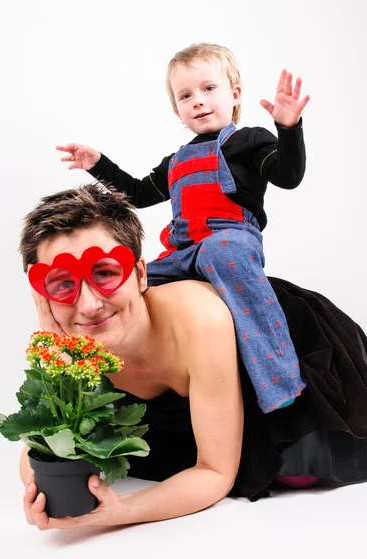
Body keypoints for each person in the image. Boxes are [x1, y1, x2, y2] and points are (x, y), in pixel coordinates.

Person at [19, 183, 367, 531]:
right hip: (197, 393)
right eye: (62, 285)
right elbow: (34, 454)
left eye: (106, 273)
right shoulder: (70, 338)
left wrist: (119, 512)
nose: (90, 305)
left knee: (297, 471)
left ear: (141, 274)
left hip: (279, 353)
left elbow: (215, 472)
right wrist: (56, 361)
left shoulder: (200, 320)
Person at [56, 43, 311, 415]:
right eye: (186, 95)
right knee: (130, 278)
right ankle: (116, 379)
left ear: (234, 94)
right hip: (183, 251)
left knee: (220, 251)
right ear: (177, 111)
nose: (198, 101)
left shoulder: (250, 141)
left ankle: (279, 383)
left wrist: (288, 129)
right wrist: (98, 165)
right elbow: (139, 194)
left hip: (230, 238)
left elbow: (288, 176)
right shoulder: (175, 161)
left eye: (209, 89)